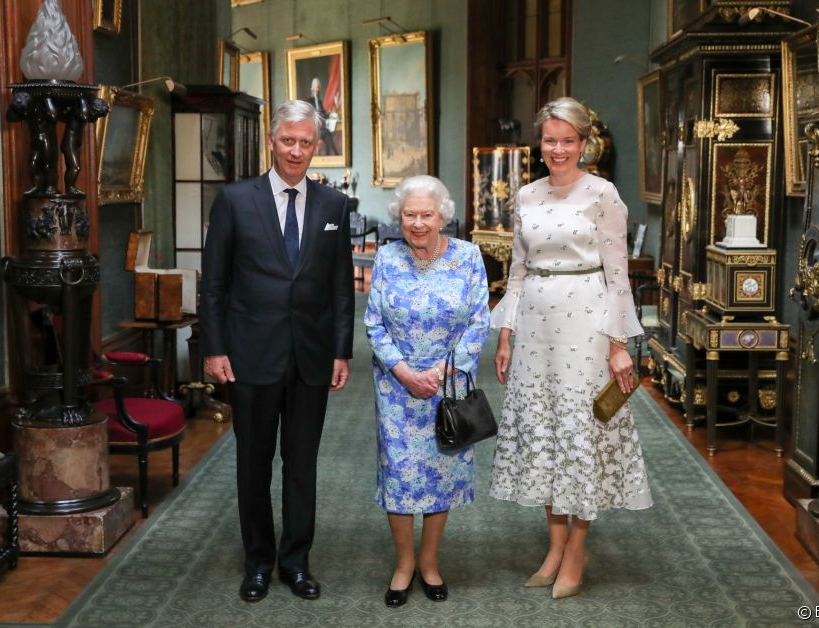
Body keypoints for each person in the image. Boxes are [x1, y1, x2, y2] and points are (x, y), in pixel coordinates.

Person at [489, 97, 652, 600]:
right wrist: (506, 334)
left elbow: (619, 276)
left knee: (580, 433)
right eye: (549, 140)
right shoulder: (526, 195)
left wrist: (618, 345)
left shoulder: (603, 193)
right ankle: (554, 548)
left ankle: (576, 552)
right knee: (545, 432)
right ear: (539, 144)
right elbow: (516, 271)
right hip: (535, 324)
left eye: (567, 140)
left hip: (587, 322)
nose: (557, 149)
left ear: (584, 144)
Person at [201, 100, 354, 604]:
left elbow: (340, 289)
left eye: (305, 142)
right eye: (288, 140)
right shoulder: (235, 200)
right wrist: (214, 347)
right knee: (254, 463)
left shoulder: (333, 206)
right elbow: (215, 283)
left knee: (302, 464)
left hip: (311, 357)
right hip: (250, 355)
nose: (296, 150)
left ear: (317, 146)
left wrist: (340, 351)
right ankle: (259, 563)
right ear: (272, 141)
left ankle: (296, 562)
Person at [364, 175, 490, 607]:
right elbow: (373, 322)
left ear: (443, 217)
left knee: (442, 470)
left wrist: (440, 372)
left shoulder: (469, 257)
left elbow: (478, 320)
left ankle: (430, 563)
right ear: (400, 216)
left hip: (447, 385)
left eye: (426, 215)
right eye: (409, 214)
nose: (418, 223)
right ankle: (403, 565)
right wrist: (402, 372)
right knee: (398, 473)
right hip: (395, 385)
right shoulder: (386, 258)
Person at [308, 77, 339, 156]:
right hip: (313, 128)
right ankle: (335, 154)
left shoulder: (319, 101)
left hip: (320, 126)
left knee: (328, 135)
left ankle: (329, 155)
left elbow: (324, 112)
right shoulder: (309, 101)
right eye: (315, 87)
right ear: (312, 88)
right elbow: (309, 114)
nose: (317, 89)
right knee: (327, 134)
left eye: (318, 87)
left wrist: (330, 115)